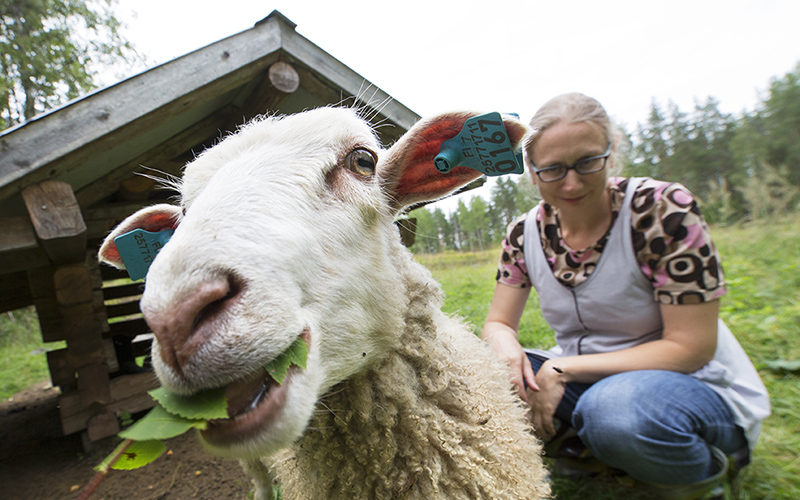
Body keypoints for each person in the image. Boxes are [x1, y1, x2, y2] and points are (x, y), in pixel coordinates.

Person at [481, 92, 770, 494]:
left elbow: (692, 348)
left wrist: (565, 368)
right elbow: (498, 322)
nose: (571, 181)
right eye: (552, 169)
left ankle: (704, 473)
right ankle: (595, 452)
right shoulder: (524, 233)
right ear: (532, 171)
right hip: (590, 377)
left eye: (587, 161)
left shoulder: (663, 212)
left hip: (691, 385)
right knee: (482, 370)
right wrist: (505, 351)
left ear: (610, 153)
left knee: (614, 412)